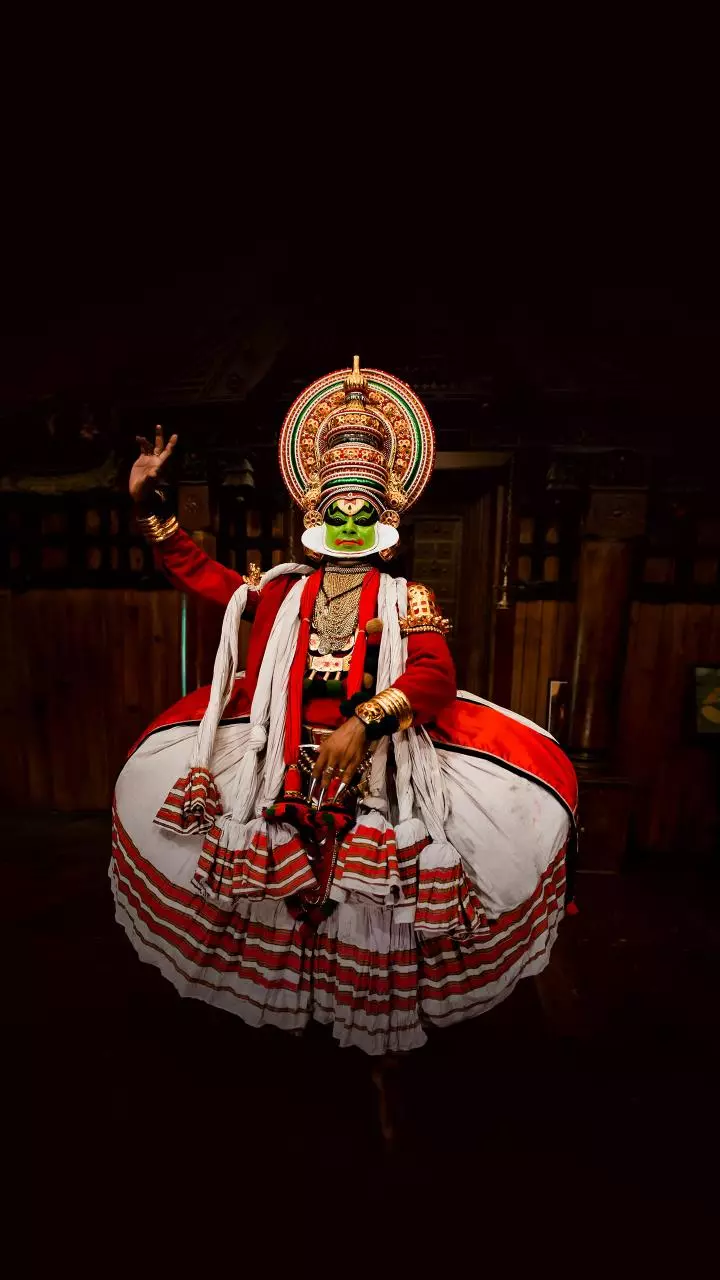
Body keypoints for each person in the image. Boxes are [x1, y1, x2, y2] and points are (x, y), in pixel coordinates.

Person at [111, 359, 577, 1056]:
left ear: (384, 516)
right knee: (275, 893)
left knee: (366, 903)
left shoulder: (407, 597)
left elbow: (433, 675)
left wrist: (365, 722)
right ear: (316, 514)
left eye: (364, 513)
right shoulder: (278, 592)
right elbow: (201, 574)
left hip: (378, 773)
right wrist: (153, 506)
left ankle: (357, 1024)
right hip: (280, 771)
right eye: (339, 512)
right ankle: (285, 1015)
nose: (352, 524)